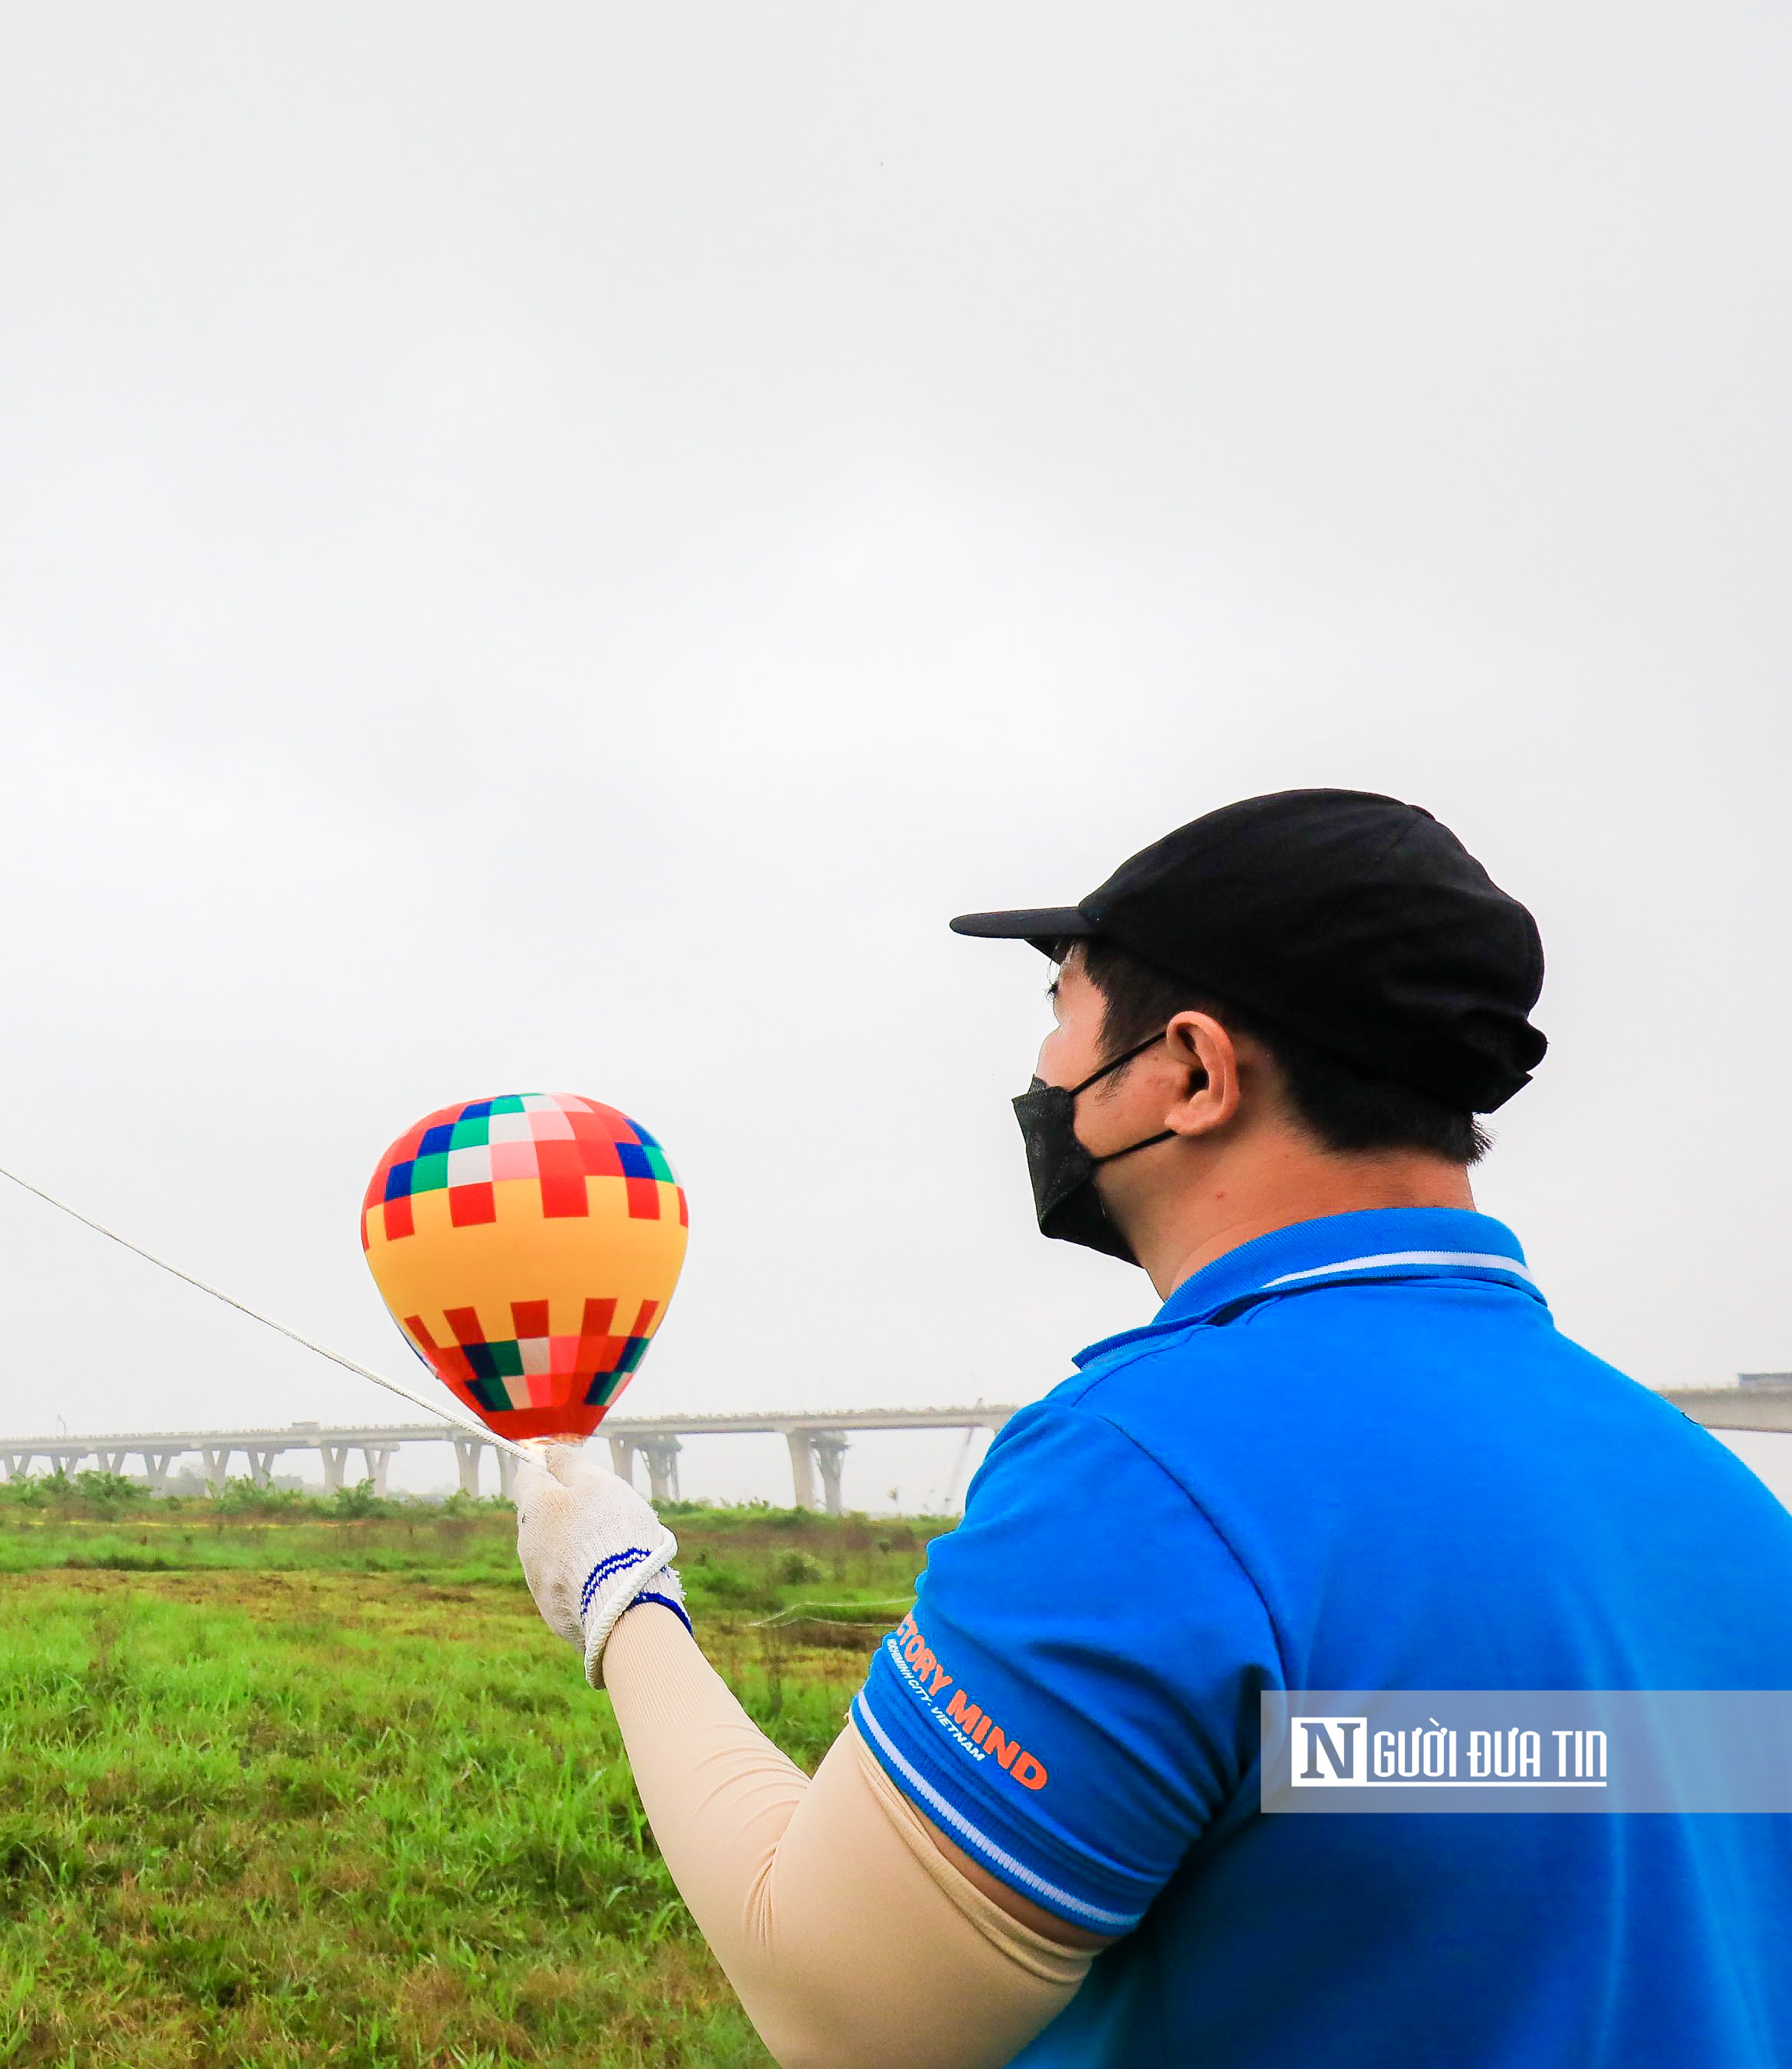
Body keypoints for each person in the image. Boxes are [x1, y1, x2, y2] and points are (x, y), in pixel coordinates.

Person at [513, 789, 1792, 2067]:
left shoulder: (1157, 1479)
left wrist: (623, 1592)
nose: (1043, 1077)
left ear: (1189, 1070)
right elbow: (1435, 1787)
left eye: (1060, 1016)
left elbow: (843, 2006)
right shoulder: (1723, 1504)